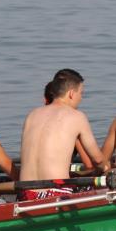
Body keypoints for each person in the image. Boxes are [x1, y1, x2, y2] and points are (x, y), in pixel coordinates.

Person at [19, 69, 110, 200]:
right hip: (55, 192)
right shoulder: (77, 116)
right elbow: (98, 159)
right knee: (103, 187)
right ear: (71, 94)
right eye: (81, 93)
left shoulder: (32, 115)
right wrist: (107, 168)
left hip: (25, 192)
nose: (81, 98)